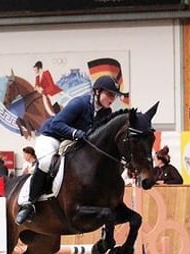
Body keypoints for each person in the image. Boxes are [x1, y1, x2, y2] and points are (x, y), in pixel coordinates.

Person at [16, 75, 122, 225]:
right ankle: (29, 204)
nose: (112, 98)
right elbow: (57, 124)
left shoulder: (106, 112)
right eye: (109, 94)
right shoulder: (80, 103)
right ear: (97, 92)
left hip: (73, 141)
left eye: (114, 95)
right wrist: (75, 133)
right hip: (52, 136)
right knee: (47, 162)